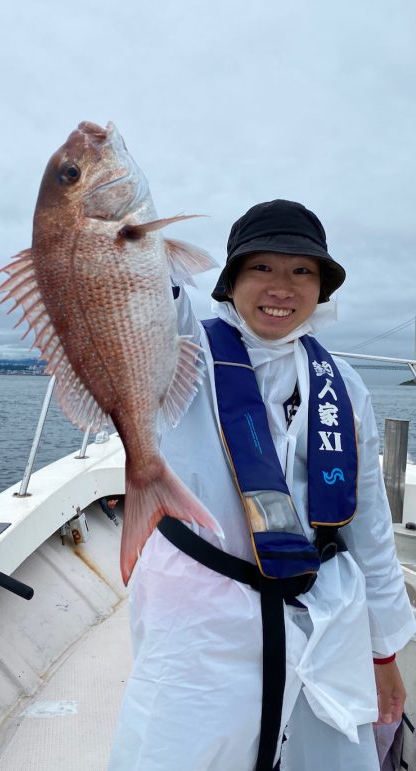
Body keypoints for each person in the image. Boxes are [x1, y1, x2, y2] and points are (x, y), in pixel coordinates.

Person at [109, 200, 416, 771]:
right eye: (262, 268)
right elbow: (136, 291)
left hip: (325, 615)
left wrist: (384, 652)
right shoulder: (181, 349)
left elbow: (370, 526)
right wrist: (111, 220)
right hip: (201, 617)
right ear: (230, 282)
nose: (282, 287)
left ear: (321, 287)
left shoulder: (343, 384)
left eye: (302, 271)